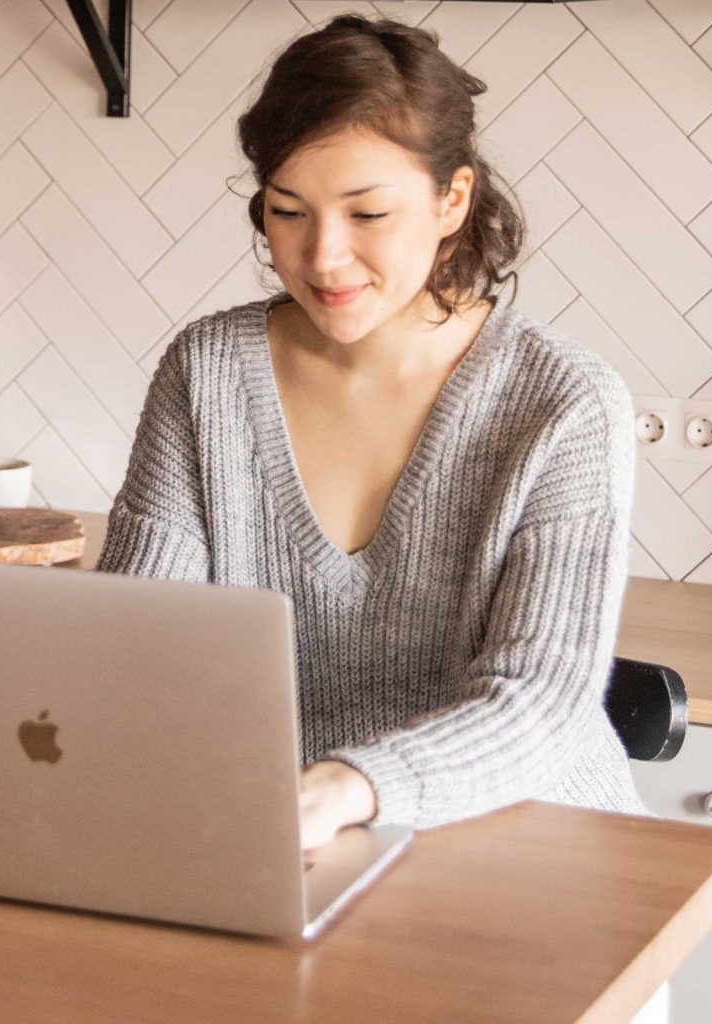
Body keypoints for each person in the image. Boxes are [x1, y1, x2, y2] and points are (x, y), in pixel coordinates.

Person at [96, 15, 651, 852]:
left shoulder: (563, 403)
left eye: (367, 213)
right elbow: (138, 643)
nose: (322, 257)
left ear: (451, 200)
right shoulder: (207, 371)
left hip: (532, 852)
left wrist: (349, 787)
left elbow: (538, 703)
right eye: (288, 212)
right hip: (284, 839)